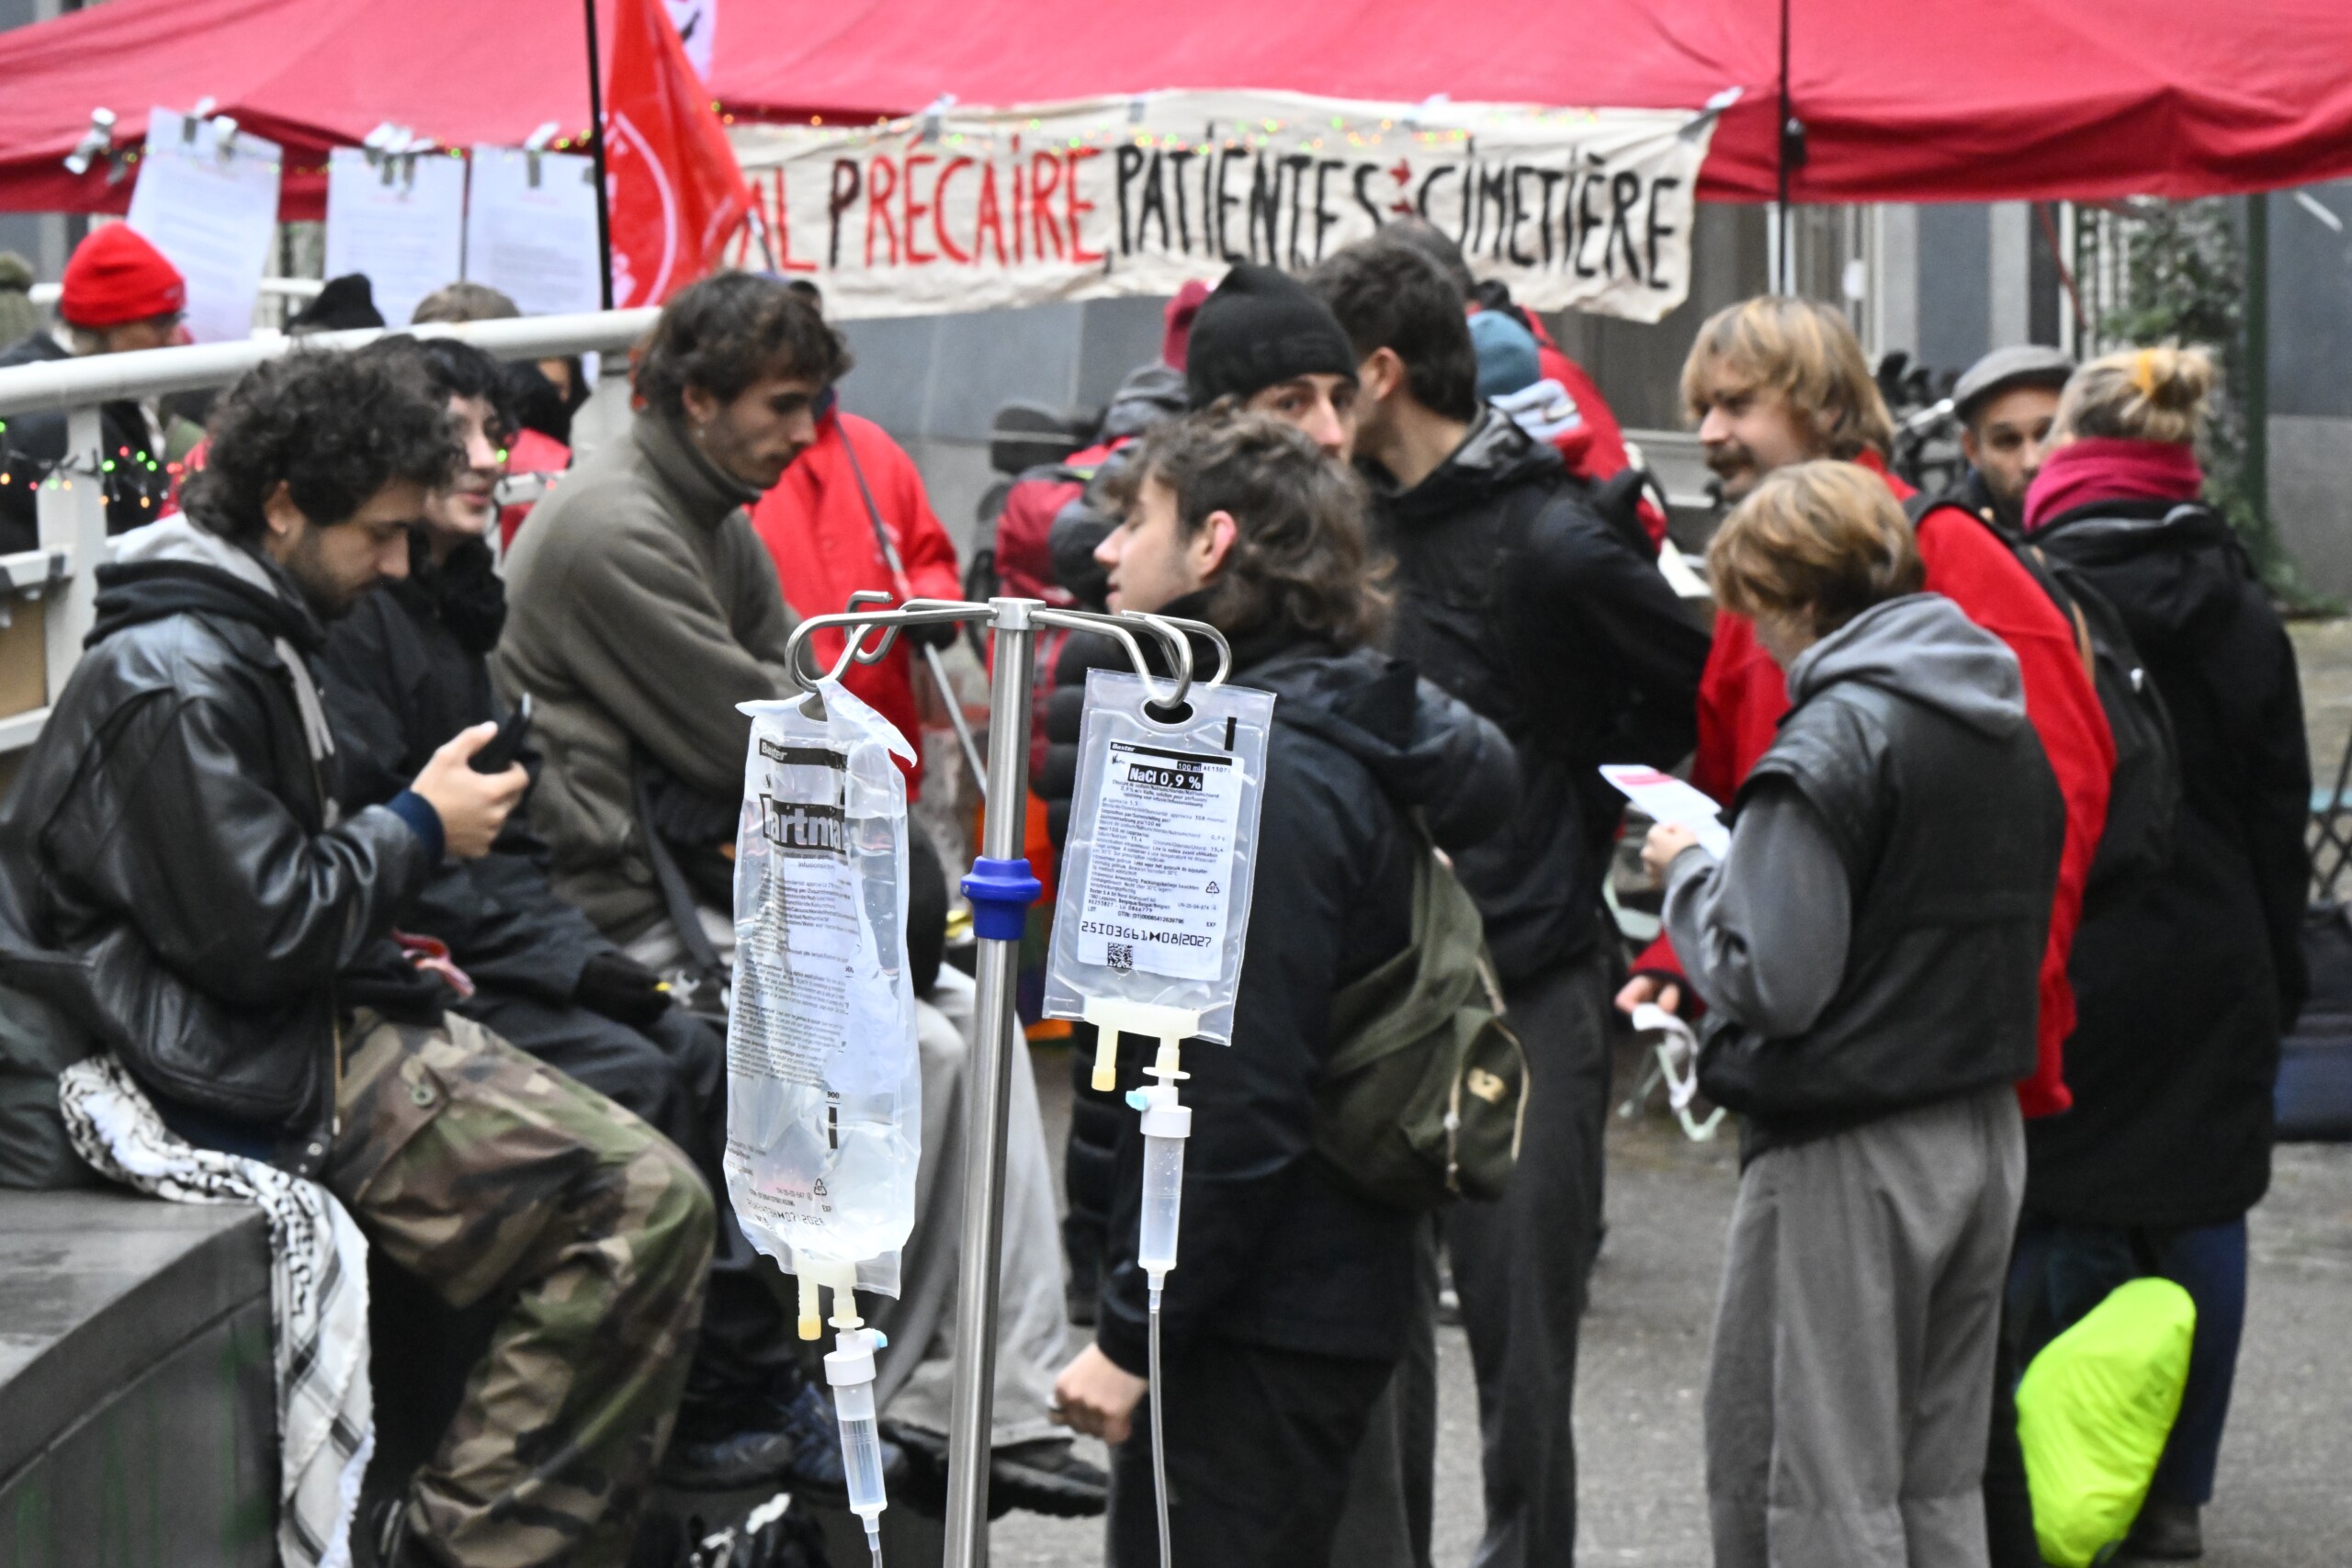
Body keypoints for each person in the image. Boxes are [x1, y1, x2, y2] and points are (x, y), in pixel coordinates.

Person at [0, 346, 712, 1568]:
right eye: (378, 532)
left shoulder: (242, 636)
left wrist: (401, 918)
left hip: (239, 1016)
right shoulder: (177, 673)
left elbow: (262, 899)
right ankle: (453, 1549)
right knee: (635, 1201)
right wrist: (421, 826)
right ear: (283, 505)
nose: (395, 561)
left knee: (640, 1162)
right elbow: (268, 925)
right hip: (182, 1050)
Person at [312, 334, 851, 1501]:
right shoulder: (368, 621)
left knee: (700, 1052)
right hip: (409, 974)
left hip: (488, 936)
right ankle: (711, 1404)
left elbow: (507, 847)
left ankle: (761, 1385)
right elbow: (409, 866)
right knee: (652, 1081)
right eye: (449, 438)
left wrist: (586, 962)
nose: (481, 459)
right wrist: (578, 964)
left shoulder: (455, 606)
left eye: (491, 434)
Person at [1048, 411, 1517, 1568]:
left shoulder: (1264, 768)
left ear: (1213, 543)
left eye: (1135, 522)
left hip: (1260, 1311)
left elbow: (1228, 1088)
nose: (1104, 554)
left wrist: (1134, 1334)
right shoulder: (1262, 731)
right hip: (1272, 1297)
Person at [1309, 237, 1708, 1568]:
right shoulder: (1345, 526)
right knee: (1375, 1333)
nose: (1307, 413)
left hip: (1530, 980)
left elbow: (1690, 690)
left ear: (1378, 374)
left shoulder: (1550, 536)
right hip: (1375, 990)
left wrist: (1589, 812)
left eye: (1321, 380)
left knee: (1520, 1346)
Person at [1652, 459, 2064, 1568]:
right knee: (1936, 1475)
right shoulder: (1999, 718)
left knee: (1817, 1479)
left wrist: (1694, 869)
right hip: (1980, 1122)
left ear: (1789, 600)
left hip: (1851, 1140)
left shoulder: (1828, 744)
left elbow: (1769, 979)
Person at [2008, 346, 2311, 1561]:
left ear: (2067, 456)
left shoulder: (2036, 596)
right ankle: (2175, 1491)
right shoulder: (2241, 605)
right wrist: (2278, 967)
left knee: (2058, 1202)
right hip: (2214, 945)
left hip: (2076, 946)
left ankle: (2053, 1468)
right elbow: (2277, 810)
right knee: (2203, 1214)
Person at [1044, 261, 1365, 1329]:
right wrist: (1121, 1274)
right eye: (1291, 403)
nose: (1327, 431)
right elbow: (1135, 1006)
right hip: (1207, 1195)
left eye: (1339, 398)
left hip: (1343, 1184)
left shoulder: (1344, 635)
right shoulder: (1143, 657)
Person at [496, 271, 827, 966]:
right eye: (785, 405)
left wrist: (783, 699)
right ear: (699, 398)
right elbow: (762, 743)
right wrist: (781, 700)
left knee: (961, 1014)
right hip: (624, 904)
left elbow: (810, 695)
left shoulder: (711, 506)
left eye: (814, 404)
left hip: (693, 877)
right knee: (926, 1040)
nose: (806, 433)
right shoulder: (614, 528)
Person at [745, 376, 961, 797]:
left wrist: (935, 604)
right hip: (776, 756)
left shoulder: (877, 452)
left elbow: (928, 556)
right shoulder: (743, 461)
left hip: (879, 752)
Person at [0, 224, 190, 550]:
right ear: (106, 324)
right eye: (160, 322)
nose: (178, 339)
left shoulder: (58, 388)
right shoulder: (61, 425)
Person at [1939, 345, 2075, 535]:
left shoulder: (2117, 517)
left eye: (2047, 435)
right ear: (1972, 449)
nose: (2031, 462)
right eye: (2007, 441)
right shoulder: (1945, 540)